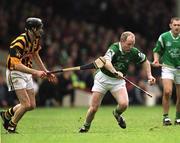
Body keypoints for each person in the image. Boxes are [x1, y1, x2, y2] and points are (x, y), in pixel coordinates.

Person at [79, 31, 156, 133]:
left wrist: (149, 75)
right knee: (93, 108)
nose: (131, 46)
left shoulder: (133, 51)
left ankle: (116, 113)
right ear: (122, 41)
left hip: (118, 81)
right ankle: (85, 126)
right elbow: (106, 62)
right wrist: (115, 72)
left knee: (124, 104)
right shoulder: (114, 48)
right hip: (103, 78)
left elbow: (145, 61)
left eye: (133, 44)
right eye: (129, 44)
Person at [0, 17, 56, 133]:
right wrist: (36, 72)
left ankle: (7, 114)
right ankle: (11, 126)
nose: (41, 31)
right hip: (15, 72)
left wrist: (45, 71)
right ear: (32, 29)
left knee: (32, 105)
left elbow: (35, 55)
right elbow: (16, 65)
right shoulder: (18, 42)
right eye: (39, 28)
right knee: (25, 104)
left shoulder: (35, 40)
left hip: (27, 71)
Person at [152, 17, 180, 126]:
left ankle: (178, 118)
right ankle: (166, 117)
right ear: (170, 25)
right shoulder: (164, 37)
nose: (177, 27)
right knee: (168, 91)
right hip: (167, 67)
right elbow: (156, 50)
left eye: (179, 25)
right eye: (175, 25)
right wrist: (156, 59)